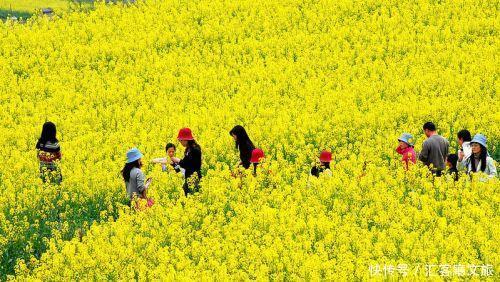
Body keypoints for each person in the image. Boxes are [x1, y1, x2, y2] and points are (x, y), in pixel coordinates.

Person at [171, 128, 202, 196]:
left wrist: (178, 160)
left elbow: (188, 164)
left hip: (194, 177)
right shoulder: (189, 148)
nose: (180, 142)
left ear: (186, 139)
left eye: (181, 140)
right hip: (190, 177)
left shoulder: (194, 149)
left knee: (190, 195)